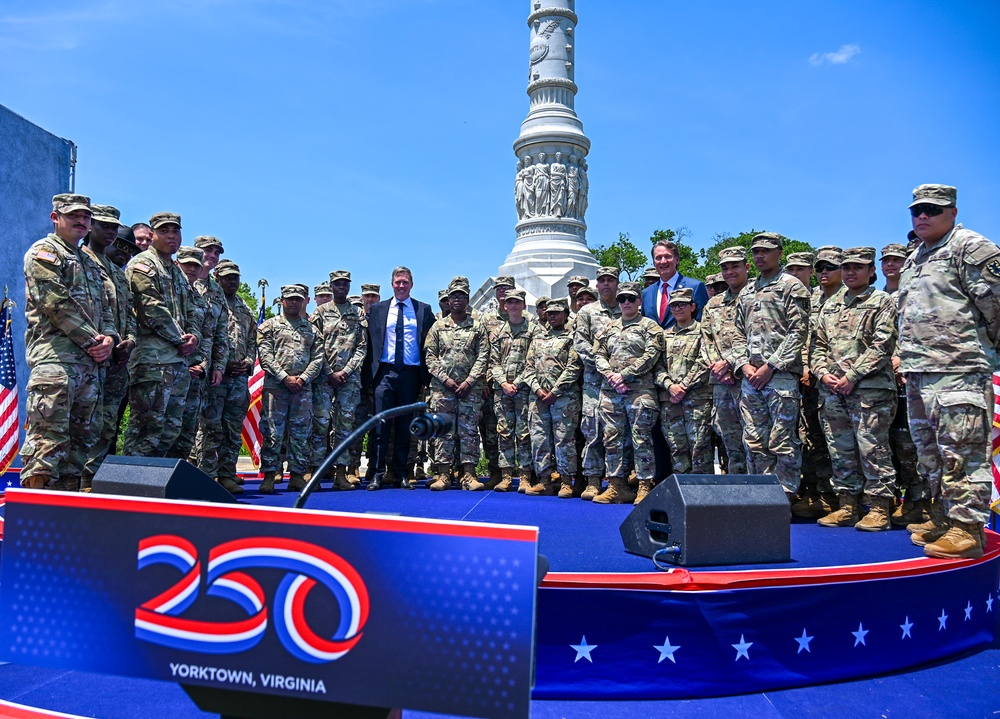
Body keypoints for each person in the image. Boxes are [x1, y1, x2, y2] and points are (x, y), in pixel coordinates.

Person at [897, 184, 1000, 558]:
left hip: (959, 370)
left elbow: (995, 307)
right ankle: (944, 519)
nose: (922, 216)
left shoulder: (971, 248)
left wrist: (981, 352)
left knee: (962, 452)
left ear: (953, 213)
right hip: (919, 371)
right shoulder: (916, 256)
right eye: (917, 210)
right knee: (931, 453)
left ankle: (969, 529)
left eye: (932, 210)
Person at [20, 194, 116, 491]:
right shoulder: (45, 252)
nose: (80, 221)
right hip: (55, 362)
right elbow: (55, 303)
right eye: (73, 215)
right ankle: (34, 518)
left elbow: (108, 307)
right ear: (55, 218)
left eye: (86, 217)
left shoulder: (90, 261)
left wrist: (110, 339)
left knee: (79, 442)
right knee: (48, 440)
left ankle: (67, 511)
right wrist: (94, 341)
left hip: (89, 365)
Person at [812, 247, 899, 530]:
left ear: (871, 271)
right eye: (846, 267)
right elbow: (817, 346)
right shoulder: (830, 306)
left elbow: (882, 345)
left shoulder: (881, 302)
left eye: (858, 267)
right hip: (833, 390)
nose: (851, 272)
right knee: (840, 449)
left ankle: (878, 508)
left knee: (872, 448)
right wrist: (823, 374)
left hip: (869, 390)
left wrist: (852, 375)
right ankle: (847, 505)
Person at [731, 232, 810, 498]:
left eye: (766, 250)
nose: (760, 256)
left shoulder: (792, 286)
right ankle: (761, 497)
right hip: (751, 379)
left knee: (782, 442)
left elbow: (798, 332)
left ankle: (784, 497)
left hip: (780, 378)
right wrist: (743, 365)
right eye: (756, 252)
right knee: (754, 442)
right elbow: (737, 333)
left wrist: (771, 366)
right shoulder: (747, 291)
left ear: (780, 253)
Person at [124, 212, 199, 458]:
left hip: (178, 362)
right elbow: (150, 308)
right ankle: (132, 488)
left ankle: (155, 487)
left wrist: (194, 337)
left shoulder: (177, 272)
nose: (171, 236)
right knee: (147, 429)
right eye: (164, 231)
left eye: (175, 231)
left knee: (171, 430)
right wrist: (180, 338)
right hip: (152, 361)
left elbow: (191, 310)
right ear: (153, 234)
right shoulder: (143, 264)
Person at [363, 266, 436, 489]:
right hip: (384, 373)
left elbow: (431, 343)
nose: (401, 286)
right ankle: (376, 473)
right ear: (392, 284)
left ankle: (402, 473)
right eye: (397, 282)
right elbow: (369, 343)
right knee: (380, 426)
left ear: (411, 285)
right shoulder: (378, 309)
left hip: (411, 374)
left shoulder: (423, 310)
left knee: (406, 426)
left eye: (405, 282)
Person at [81, 205, 136, 491]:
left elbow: (130, 318)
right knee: (85, 421)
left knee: (107, 423)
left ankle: (95, 478)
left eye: (129, 249)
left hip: (118, 362)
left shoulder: (121, 278)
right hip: (89, 356)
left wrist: (129, 341)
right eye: (120, 245)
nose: (124, 252)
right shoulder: (82, 261)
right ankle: (79, 479)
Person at [593, 282, 662, 504]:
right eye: (622, 299)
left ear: (639, 301)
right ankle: (616, 486)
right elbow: (598, 355)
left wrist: (625, 375)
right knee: (612, 439)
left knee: (641, 439)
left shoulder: (650, 327)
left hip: (639, 392)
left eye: (631, 299)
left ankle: (643, 485)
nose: (626, 303)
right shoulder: (609, 328)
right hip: (611, 392)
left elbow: (651, 355)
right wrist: (612, 376)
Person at [194, 259, 256, 495]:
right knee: (211, 427)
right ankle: (207, 474)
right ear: (217, 278)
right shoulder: (210, 303)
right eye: (227, 277)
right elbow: (205, 337)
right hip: (215, 377)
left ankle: (227, 474)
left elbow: (252, 343)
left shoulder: (244, 308)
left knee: (232, 428)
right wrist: (220, 365)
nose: (232, 281)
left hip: (238, 380)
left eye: (235, 277)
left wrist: (248, 363)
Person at [424, 277, 489, 491]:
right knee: (443, 430)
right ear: (448, 300)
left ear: (467, 299)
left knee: (469, 430)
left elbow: (483, 356)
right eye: (454, 296)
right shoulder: (437, 327)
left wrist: (470, 381)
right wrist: (447, 380)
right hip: (444, 389)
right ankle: (443, 474)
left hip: (470, 389)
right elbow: (430, 357)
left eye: (462, 295)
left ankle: (469, 474)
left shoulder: (478, 327)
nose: (457, 299)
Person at [257, 286, 323, 493]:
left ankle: (296, 475)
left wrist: (302, 379)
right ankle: (269, 474)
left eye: (298, 299)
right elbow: (265, 355)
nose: (294, 302)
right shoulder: (268, 326)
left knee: (300, 434)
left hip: (302, 390)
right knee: (273, 433)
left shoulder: (312, 329)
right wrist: (285, 377)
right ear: (282, 301)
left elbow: (318, 358)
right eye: (290, 299)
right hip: (276, 388)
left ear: (303, 301)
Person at [879, 242, 926, 526]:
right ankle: (892, 499)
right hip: (881, 379)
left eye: (897, 259)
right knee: (884, 443)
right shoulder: (877, 297)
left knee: (909, 445)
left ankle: (918, 503)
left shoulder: (915, 292)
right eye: (887, 260)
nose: (891, 265)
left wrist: (901, 360)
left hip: (908, 375)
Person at [311, 270, 367, 490]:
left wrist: (346, 371)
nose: (341, 287)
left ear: (349, 286)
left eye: (345, 284)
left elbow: (362, 347)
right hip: (324, 378)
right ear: (331, 286)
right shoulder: (321, 312)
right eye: (337, 284)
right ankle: (315, 472)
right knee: (321, 425)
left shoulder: (358, 314)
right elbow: (314, 345)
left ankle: (341, 474)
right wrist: (328, 372)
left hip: (349, 379)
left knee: (345, 426)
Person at [523, 298, 582, 497]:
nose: (553, 316)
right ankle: (544, 480)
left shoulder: (572, 337)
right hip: (538, 397)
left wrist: (555, 391)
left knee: (564, 439)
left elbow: (574, 367)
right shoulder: (538, 337)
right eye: (550, 313)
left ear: (566, 314)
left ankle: (566, 481)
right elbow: (528, 367)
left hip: (563, 398)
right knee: (540, 440)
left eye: (557, 312)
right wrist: (538, 389)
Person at [573, 267, 622, 500]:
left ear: (617, 283)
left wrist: (621, 371)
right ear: (596, 285)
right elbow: (581, 344)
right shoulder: (587, 312)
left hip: (623, 383)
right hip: (595, 381)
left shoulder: (628, 306)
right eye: (601, 280)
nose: (606, 285)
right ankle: (593, 481)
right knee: (592, 430)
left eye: (610, 280)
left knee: (621, 433)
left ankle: (619, 480)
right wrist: (605, 367)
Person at [701, 246, 750, 476]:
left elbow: (759, 337)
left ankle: (762, 493)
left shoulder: (755, 297)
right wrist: (719, 367)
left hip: (750, 379)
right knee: (729, 438)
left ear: (746, 267)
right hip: (722, 382)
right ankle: (737, 487)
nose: (729, 271)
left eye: (735, 266)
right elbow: (706, 340)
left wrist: (731, 362)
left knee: (756, 439)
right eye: (725, 267)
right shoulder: (713, 304)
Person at [655, 288, 712, 482]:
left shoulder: (703, 332)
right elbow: (657, 366)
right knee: (676, 447)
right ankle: (682, 490)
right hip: (670, 401)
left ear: (693, 307)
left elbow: (705, 361)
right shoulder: (664, 335)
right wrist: (670, 386)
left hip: (697, 399)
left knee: (700, 446)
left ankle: (703, 493)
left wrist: (684, 386)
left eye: (682, 304)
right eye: (674, 305)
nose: (678, 308)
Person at [488, 288, 536, 490]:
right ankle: (507, 475)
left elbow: (534, 361)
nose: (513, 306)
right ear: (505, 305)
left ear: (523, 305)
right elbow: (493, 362)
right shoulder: (499, 332)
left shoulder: (533, 330)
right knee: (504, 432)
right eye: (510, 302)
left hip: (523, 390)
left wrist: (518, 382)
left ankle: (525, 475)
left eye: (517, 302)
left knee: (524, 433)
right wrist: (504, 384)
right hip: (503, 390)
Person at [642, 239, 709, 328]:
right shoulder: (646, 293)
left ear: (677, 260)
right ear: (654, 263)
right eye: (658, 258)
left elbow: (704, 324)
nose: (663, 261)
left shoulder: (695, 287)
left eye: (667, 256)